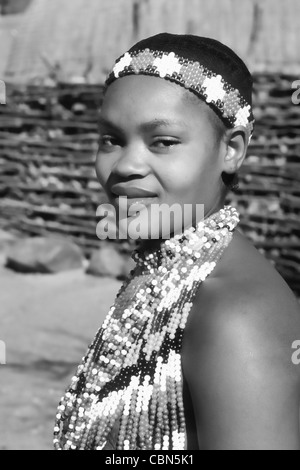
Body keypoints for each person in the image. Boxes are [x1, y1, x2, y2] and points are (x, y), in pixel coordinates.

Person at [53, 33, 300, 450]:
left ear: (232, 150)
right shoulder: (165, 276)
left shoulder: (236, 315)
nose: (126, 165)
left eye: (163, 142)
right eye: (111, 139)